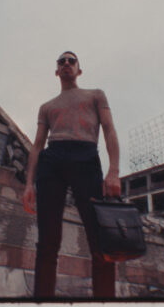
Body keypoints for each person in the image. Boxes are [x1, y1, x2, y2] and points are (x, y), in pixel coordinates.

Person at [22, 51, 121, 298]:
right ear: (57, 71)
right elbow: (37, 145)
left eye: (71, 60)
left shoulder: (95, 95)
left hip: (86, 156)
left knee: (100, 239)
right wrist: (29, 184)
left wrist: (114, 171)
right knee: (47, 241)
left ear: (79, 69)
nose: (66, 63)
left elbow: (109, 130)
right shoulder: (47, 107)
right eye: (61, 61)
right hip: (52, 160)